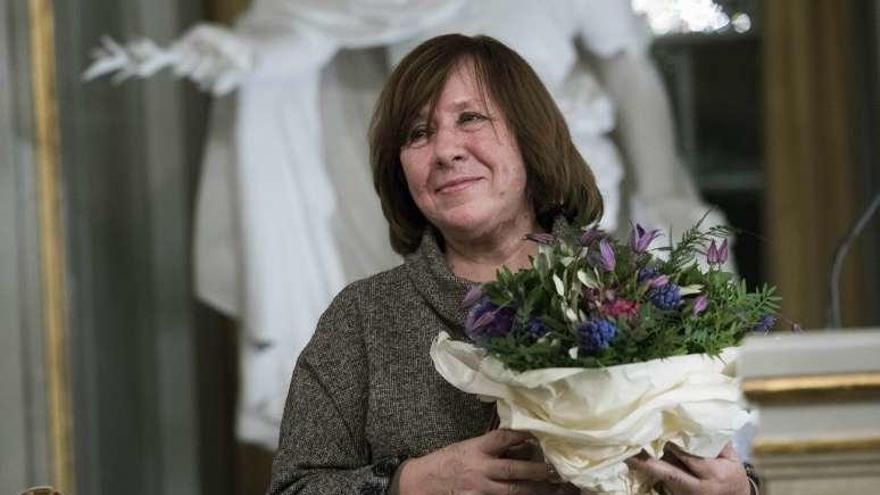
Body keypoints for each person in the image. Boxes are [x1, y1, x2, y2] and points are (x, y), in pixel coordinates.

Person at [268, 34, 752, 495]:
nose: (445, 150)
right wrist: (411, 483)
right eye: (418, 133)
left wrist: (739, 488)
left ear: (528, 137)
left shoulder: (634, 288)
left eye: (471, 118)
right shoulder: (363, 319)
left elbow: (712, 458)